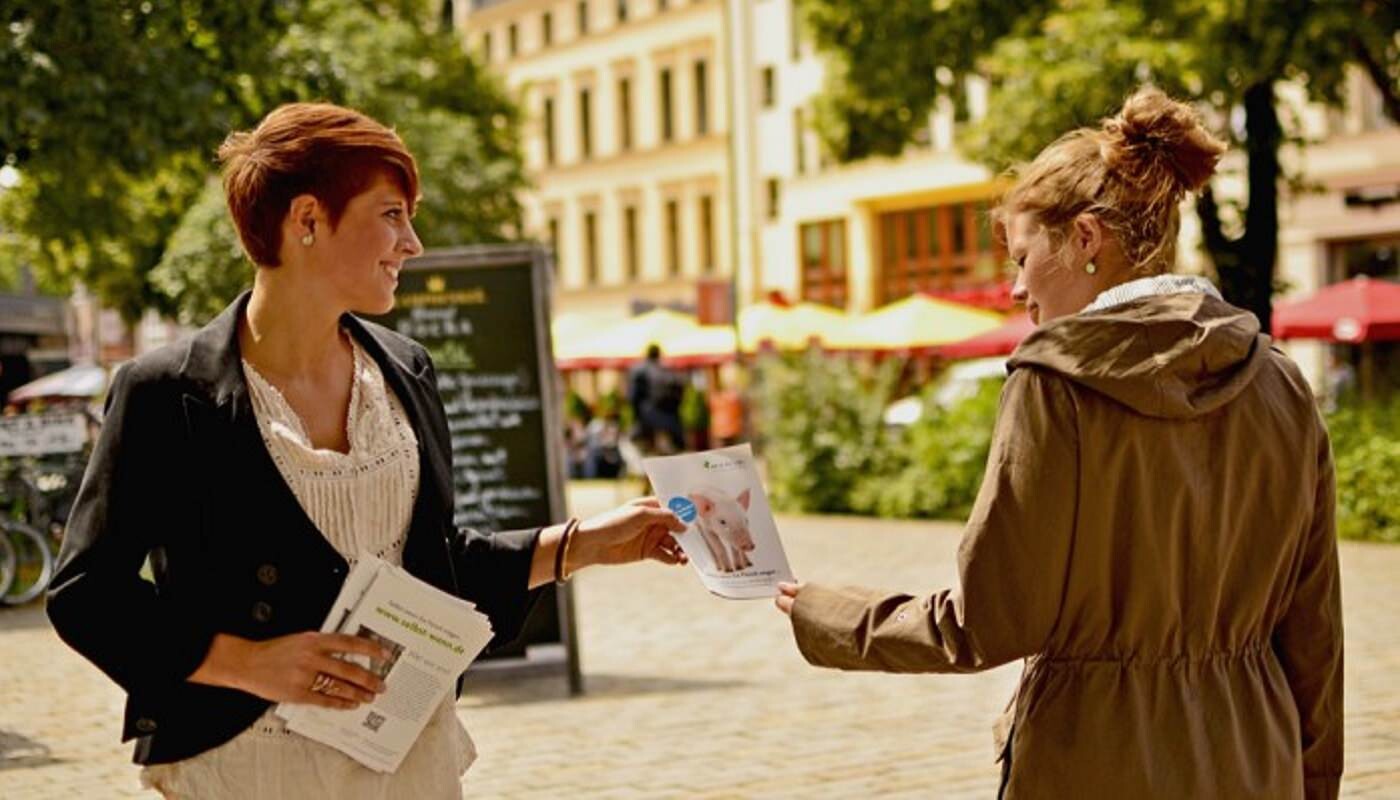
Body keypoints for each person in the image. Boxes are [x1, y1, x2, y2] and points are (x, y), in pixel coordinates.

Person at [46, 103, 688, 799]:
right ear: (308, 221)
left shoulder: (406, 370)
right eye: (391, 215)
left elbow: (432, 567)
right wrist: (250, 663)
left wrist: (586, 542)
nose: (411, 243)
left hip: (407, 756)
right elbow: (88, 596)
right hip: (251, 766)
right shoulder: (167, 393)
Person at [776, 87, 1343, 799]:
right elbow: (1315, 634)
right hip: (1257, 758)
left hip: (1094, 759)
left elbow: (988, 620)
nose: (1015, 289)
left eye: (1021, 257)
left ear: (1084, 239)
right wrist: (1314, 784)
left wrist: (828, 612)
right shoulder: (1282, 383)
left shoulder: (1055, 384)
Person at [626, 343, 684, 454]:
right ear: (658, 354)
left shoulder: (639, 370)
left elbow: (633, 396)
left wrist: (635, 415)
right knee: (670, 448)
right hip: (669, 416)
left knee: (647, 448)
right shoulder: (668, 370)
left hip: (647, 413)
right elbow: (679, 391)